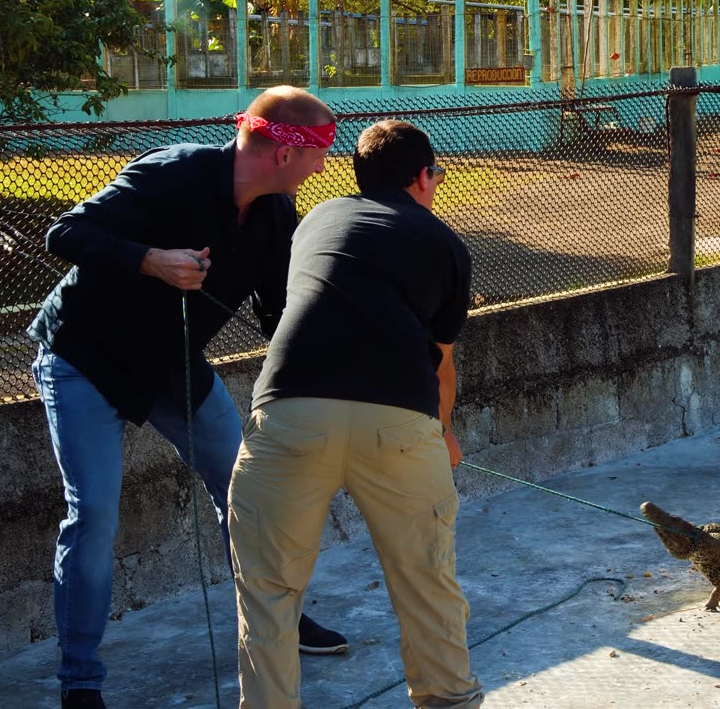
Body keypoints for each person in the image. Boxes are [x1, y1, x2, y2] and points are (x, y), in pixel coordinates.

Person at [27, 86, 349, 709]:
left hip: (173, 367)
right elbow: (63, 233)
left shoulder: (278, 216)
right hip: (84, 359)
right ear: (285, 151)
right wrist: (148, 259)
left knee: (247, 493)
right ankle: (80, 682)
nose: (322, 167)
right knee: (93, 516)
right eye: (319, 153)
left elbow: (280, 311)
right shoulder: (171, 171)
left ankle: (278, 623)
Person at [228, 120, 483, 709]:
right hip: (398, 424)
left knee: (269, 591)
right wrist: (443, 435)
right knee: (426, 582)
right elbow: (440, 364)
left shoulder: (316, 219)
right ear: (424, 177)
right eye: (437, 174)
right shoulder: (446, 244)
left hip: (290, 411)